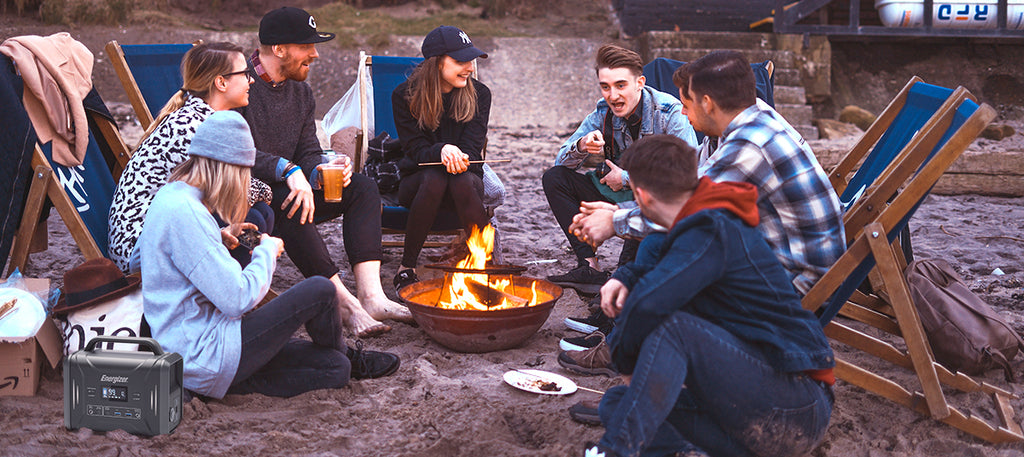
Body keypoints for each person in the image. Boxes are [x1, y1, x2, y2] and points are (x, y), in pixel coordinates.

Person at [578, 134, 834, 457]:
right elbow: (665, 271)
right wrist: (626, 276)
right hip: (756, 405)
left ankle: (614, 452)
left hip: (796, 404)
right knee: (619, 405)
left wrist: (624, 359)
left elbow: (652, 303)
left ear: (640, 196)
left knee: (674, 330)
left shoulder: (712, 227)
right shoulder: (697, 222)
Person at [137, 111, 400, 399]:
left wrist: (217, 239)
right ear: (227, 167)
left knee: (334, 369)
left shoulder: (173, 196)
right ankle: (347, 354)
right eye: (243, 173)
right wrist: (266, 251)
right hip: (205, 352)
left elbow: (156, 258)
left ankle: (339, 359)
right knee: (321, 289)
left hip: (201, 353)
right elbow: (237, 300)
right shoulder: (185, 212)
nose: (243, 182)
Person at [571, 50, 844, 296]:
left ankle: (622, 339)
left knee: (671, 251)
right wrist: (623, 208)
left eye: (686, 104)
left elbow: (689, 209)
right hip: (770, 251)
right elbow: (690, 183)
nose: (681, 111)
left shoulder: (751, 144)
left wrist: (614, 221)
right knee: (658, 244)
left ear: (707, 103)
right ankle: (618, 331)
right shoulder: (742, 120)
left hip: (798, 280)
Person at [237, 6, 411, 338]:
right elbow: (235, 149)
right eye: (307, 46)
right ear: (279, 49)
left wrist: (320, 169)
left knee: (362, 187)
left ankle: (372, 296)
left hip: (295, 185)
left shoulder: (300, 92)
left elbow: (307, 149)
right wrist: (288, 170)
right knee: (290, 202)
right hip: (252, 196)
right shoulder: (238, 83)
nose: (315, 55)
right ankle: (345, 304)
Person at [541, 44, 697, 296]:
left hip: (657, 201)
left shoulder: (669, 112)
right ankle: (589, 266)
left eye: (620, 85)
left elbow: (689, 174)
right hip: (616, 195)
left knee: (627, 269)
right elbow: (561, 160)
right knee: (555, 178)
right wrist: (582, 145)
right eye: (605, 87)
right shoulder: (603, 112)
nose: (612, 96)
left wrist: (625, 178)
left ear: (640, 83)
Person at [108, 41, 275, 273]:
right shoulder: (192, 127)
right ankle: (227, 289)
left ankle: (229, 284)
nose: (252, 80)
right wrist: (269, 186)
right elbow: (233, 192)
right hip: (141, 251)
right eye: (245, 74)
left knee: (258, 214)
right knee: (252, 214)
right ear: (221, 82)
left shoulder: (197, 117)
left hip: (163, 231)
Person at [390, 25, 491, 292]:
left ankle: (483, 265)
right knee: (435, 176)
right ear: (436, 63)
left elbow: (472, 146)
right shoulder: (404, 96)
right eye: (460, 61)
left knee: (459, 179)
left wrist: (458, 156)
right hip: (419, 184)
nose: (469, 67)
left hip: (466, 184)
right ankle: (406, 267)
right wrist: (441, 150)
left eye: (470, 60)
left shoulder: (480, 95)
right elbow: (415, 150)